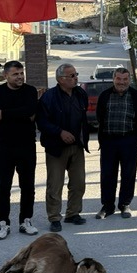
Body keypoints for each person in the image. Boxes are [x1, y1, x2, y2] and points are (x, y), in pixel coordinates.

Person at [0, 60, 39, 239]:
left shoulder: (30, 91)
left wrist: (6, 114)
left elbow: (31, 110)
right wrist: (22, 114)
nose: (20, 77)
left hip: (26, 145)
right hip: (4, 146)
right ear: (6, 76)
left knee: (28, 186)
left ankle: (26, 220)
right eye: (15, 74)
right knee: (3, 186)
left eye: (21, 73)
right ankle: (3, 222)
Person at [37, 63, 90, 232]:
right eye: (72, 76)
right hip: (56, 148)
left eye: (76, 74)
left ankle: (73, 213)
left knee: (78, 183)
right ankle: (54, 217)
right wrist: (59, 132)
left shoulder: (80, 93)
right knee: (55, 184)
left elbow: (83, 117)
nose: (76, 78)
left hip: (77, 145)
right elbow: (42, 123)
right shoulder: (49, 97)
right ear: (60, 79)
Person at [95, 67, 137, 219]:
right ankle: (107, 206)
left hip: (129, 140)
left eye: (125, 79)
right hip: (109, 141)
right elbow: (99, 117)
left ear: (129, 80)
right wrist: (103, 140)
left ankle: (125, 204)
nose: (121, 82)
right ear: (113, 79)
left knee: (128, 174)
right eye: (118, 79)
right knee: (107, 174)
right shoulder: (105, 95)